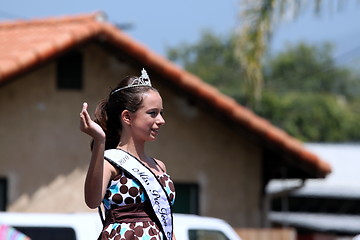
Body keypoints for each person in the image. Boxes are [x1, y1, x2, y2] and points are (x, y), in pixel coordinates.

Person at [79, 69, 176, 240]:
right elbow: (92, 201)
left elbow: (165, 221)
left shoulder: (159, 166)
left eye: (161, 113)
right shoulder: (110, 161)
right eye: (152, 113)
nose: (161, 120)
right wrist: (100, 141)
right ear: (127, 117)